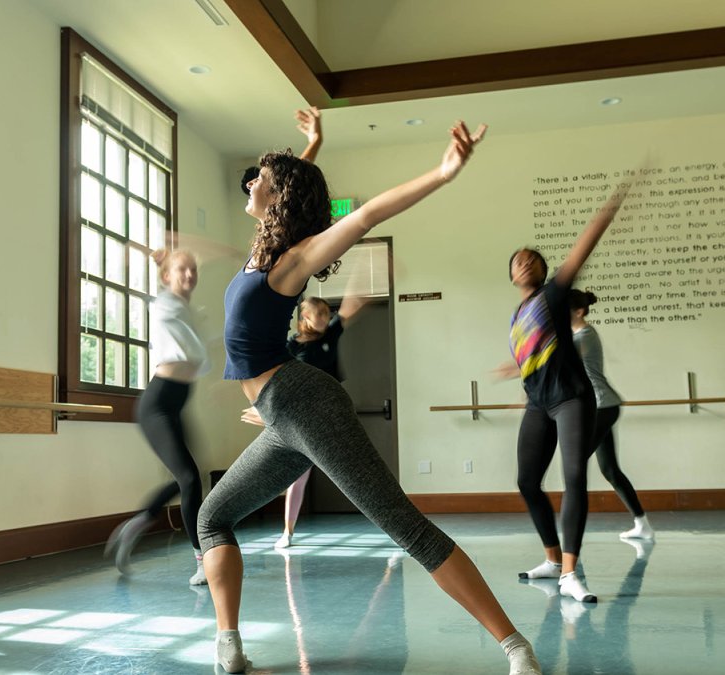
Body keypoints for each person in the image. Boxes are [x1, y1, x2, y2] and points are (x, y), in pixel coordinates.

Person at [198, 120, 542, 675]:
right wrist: (312, 147)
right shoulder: (265, 251)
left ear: (277, 194)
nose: (249, 185)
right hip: (279, 414)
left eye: (259, 179)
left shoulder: (291, 263)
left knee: (402, 526)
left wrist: (444, 172)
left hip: (303, 403)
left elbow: (365, 216)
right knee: (212, 517)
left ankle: (514, 646)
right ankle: (229, 644)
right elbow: (293, 190)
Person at [509, 183, 633, 604]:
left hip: (572, 398)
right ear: (511, 275)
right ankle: (552, 558)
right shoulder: (520, 312)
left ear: (543, 272)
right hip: (539, 403)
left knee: (575, 477)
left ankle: (570, 572)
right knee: (527, 481)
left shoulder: (553, 294)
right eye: (519, 261)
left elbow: (584, 246)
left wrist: (608, 209)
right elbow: (534, 352)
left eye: (533, 260)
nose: (525, 264)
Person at [106, 249, 211, 585]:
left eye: (193, 269)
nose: (190, 275)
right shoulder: (163, 303)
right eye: (182, 270)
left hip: (177, 400)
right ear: (167, 277)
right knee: (191, 479)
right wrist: (155, 259)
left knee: (188, 478)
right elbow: (140, 276)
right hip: (157, 403)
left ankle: (138, 522)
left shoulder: (186, 309)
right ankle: (201, 560)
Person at [269, 294, 365, 548]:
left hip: (332, 410)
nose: (325, 318)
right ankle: (287, 532)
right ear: (305, 317)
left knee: (350, 469)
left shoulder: (330, 334)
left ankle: (383, 517)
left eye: (326, 313)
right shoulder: (293, 346)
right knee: (299, 477)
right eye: (319, 314)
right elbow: (276, 379)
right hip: (303, 416)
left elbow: (346, 310)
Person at [568, 289, 653, 541]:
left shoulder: (585, 335)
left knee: (575, 464)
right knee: (610, 469)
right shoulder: (577, 335)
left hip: (602, 406)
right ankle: (642, 525)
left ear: (579, 311)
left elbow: (556, 358)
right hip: (602, 406)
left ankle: (572, 538)